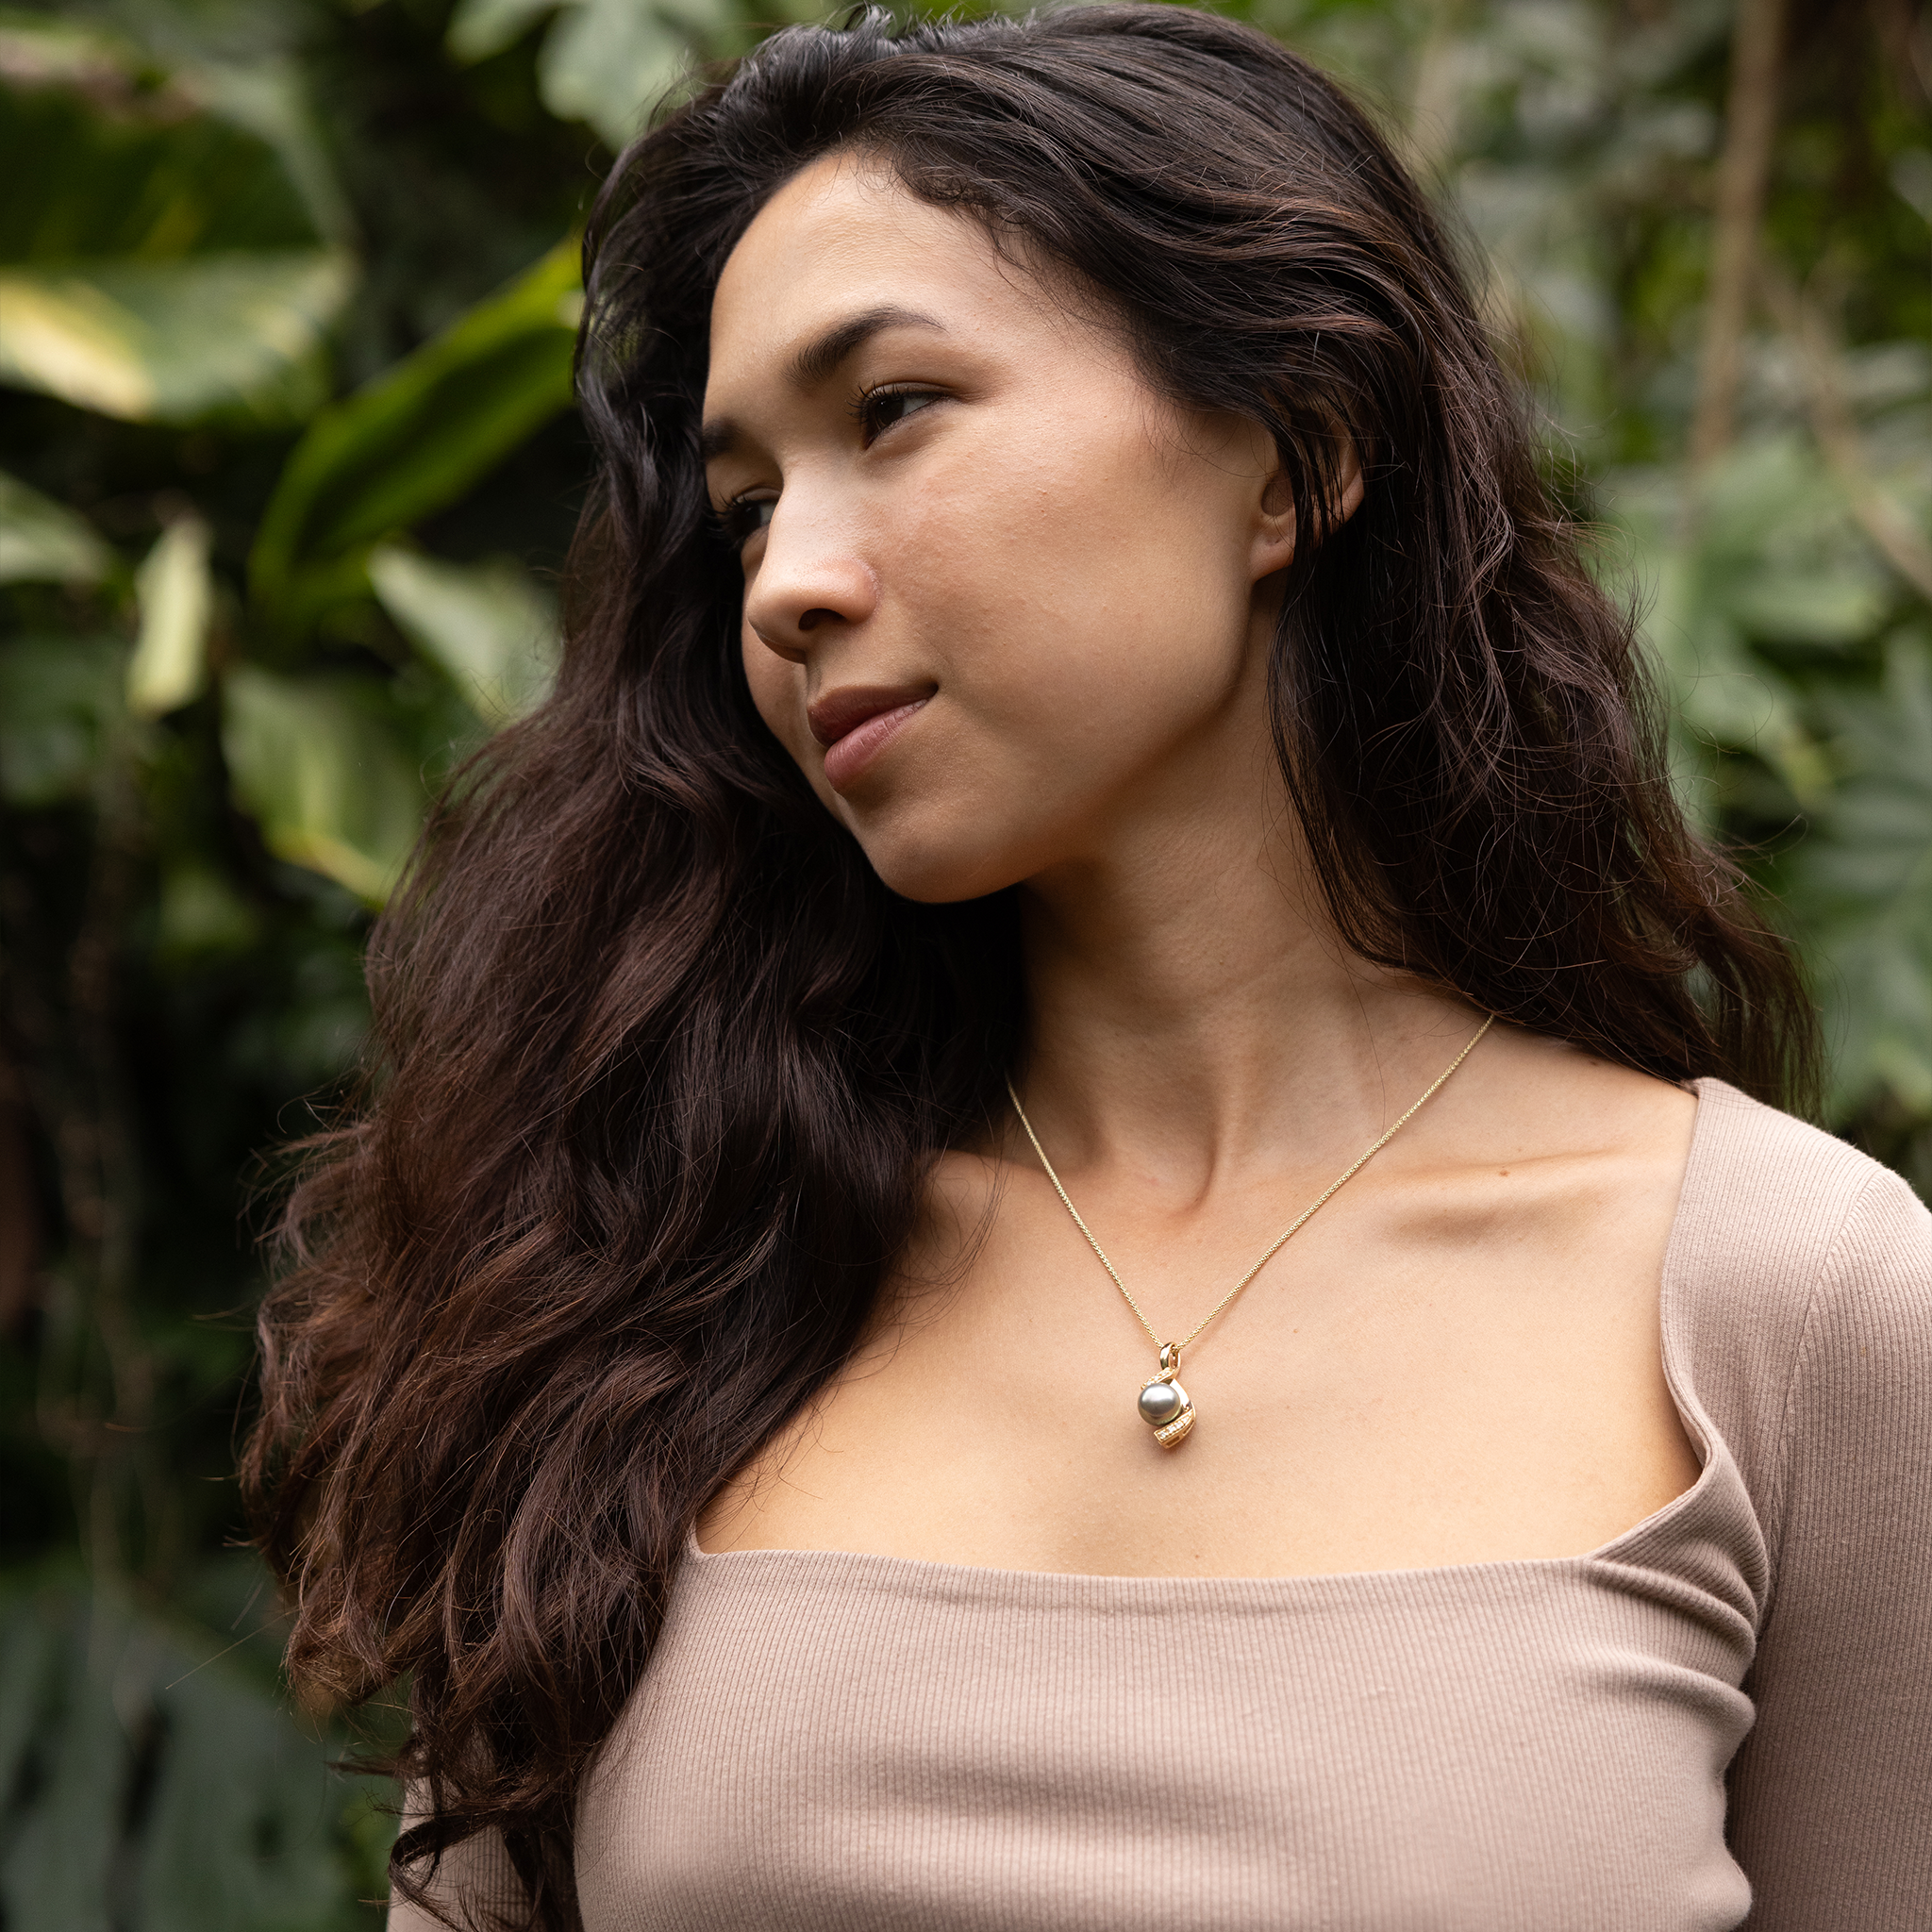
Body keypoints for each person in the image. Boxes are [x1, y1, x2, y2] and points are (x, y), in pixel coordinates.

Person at [245, 8, 1932, 1929]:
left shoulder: (1786, 1304)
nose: (786, 581)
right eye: (745, 508)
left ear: (1295, 450)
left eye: (894, 410)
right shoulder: (654, 1271)